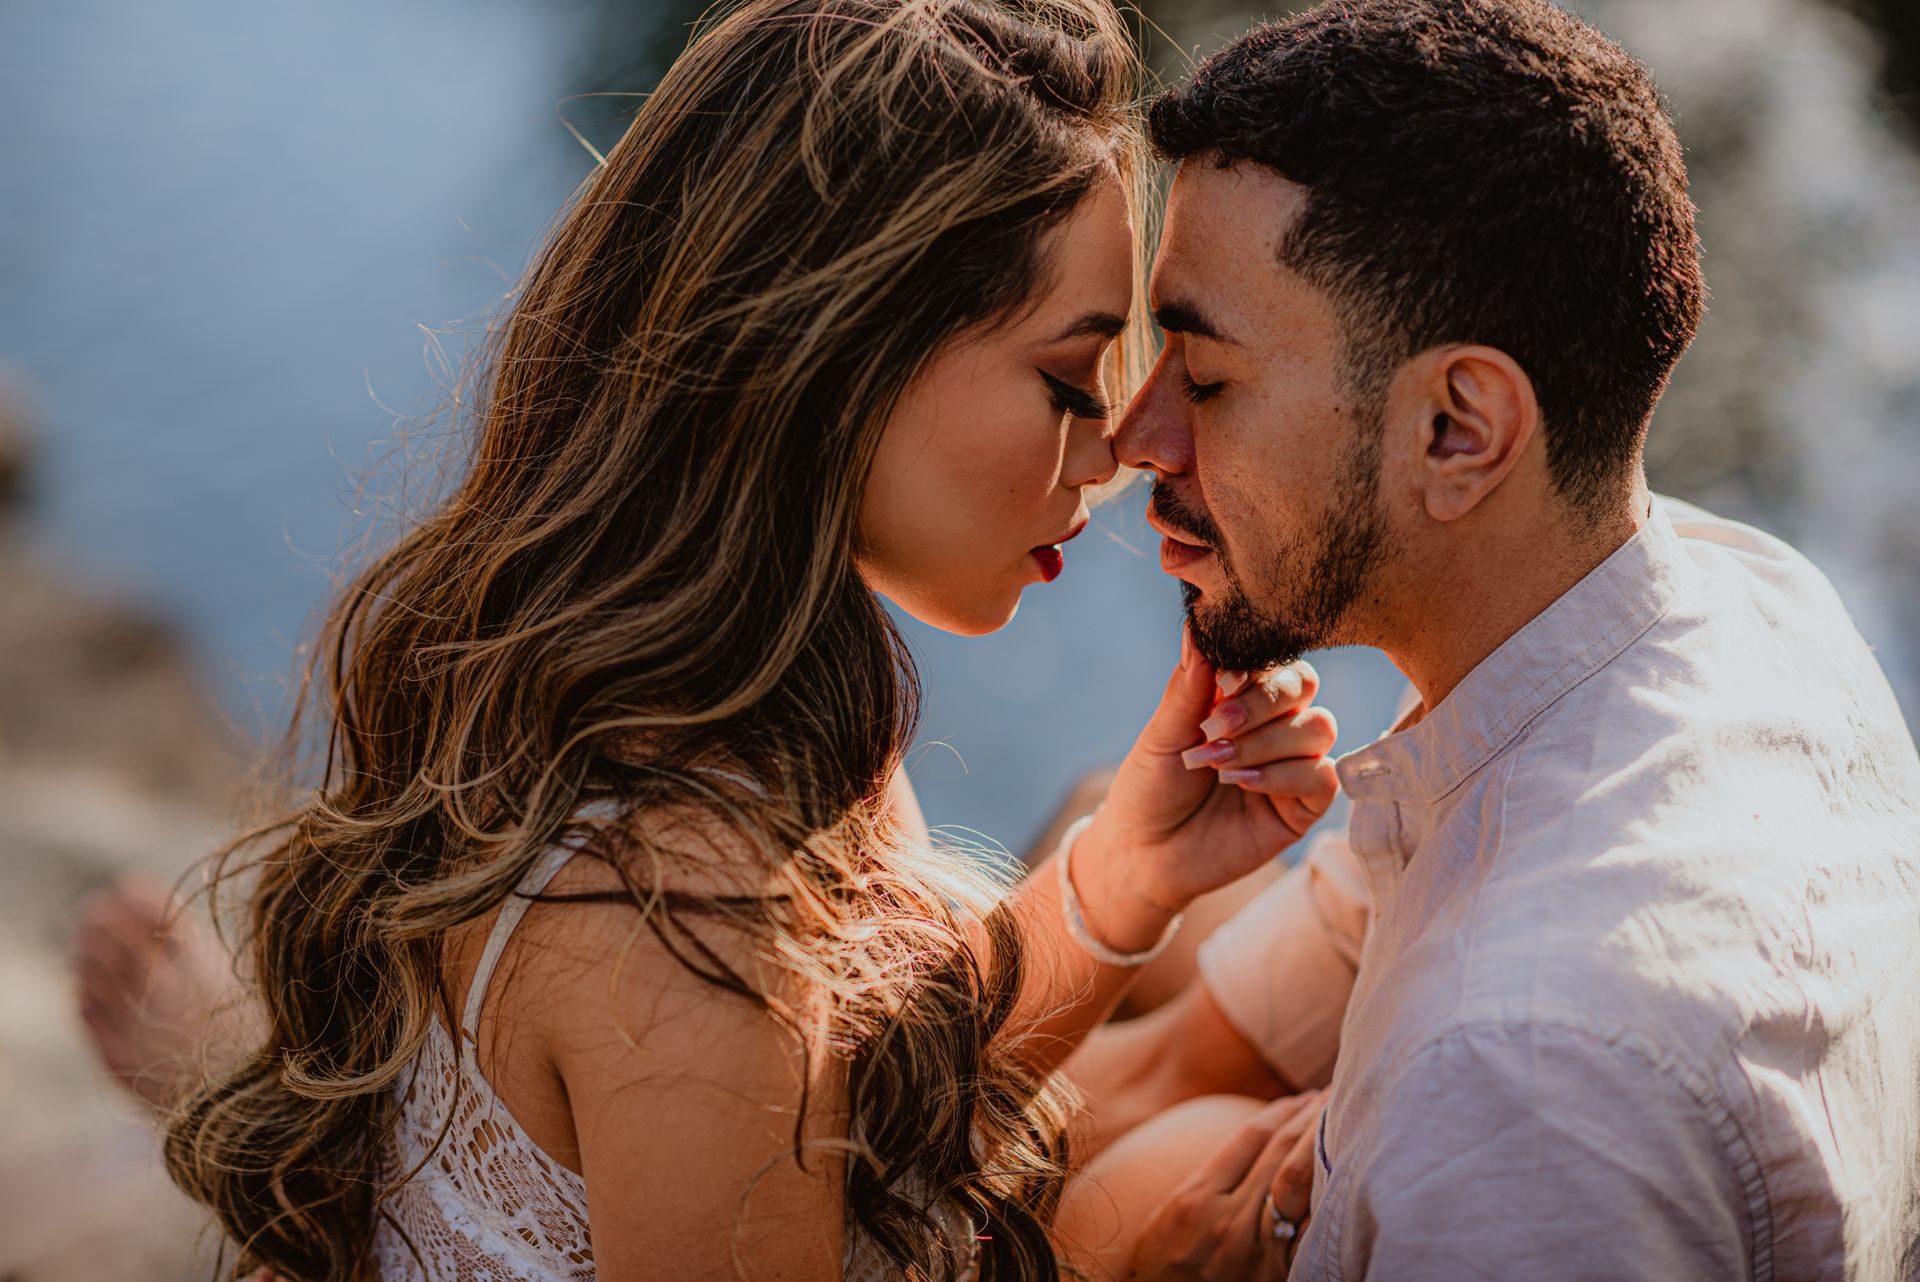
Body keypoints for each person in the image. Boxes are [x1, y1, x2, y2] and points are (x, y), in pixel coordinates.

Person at [70, 2, 1347, 1279]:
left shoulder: (663, 681)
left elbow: (859, 1113)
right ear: (837, 350)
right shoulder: (685, 912)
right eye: (1071, 380)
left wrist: (1128, 871)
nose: (1119, 449)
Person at [1051, 2, 1920, 1278]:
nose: (1136, 438)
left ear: (1459, 429)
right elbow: (1160, 1073)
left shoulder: (1522, 1090)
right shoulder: (1729, 604)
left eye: (1209, 377)